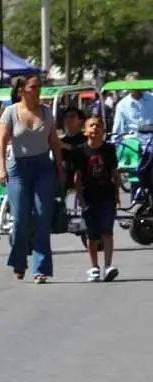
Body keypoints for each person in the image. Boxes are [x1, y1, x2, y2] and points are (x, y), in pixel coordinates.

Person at [0, 75, 66, 284]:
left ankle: (40, 269)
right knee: (20, 220)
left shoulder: (46, 112)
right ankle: (19, 260)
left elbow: (54, 142)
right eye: (34, 87)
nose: (38, 90)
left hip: (43, 167)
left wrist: (59, 168)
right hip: (18, 169)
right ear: (22, 90)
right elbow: (1, 143)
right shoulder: (10, 112)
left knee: (43, 217)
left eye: (39, 87)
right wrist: (1, 169)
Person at [75, 115, 122, 282]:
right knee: (91, 235)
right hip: (89, 196)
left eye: (98, 126)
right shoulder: (80, 151)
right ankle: (94, 267)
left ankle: (108, 265)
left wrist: (117, 193)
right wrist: (80, 197)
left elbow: (114, 173)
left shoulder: (109, 150)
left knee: (107, 232)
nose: (95, 129)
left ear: (104, 131)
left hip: (106, 195)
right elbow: (78, 177)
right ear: (85, 131)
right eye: (91, 126)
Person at [111, 72, 153, 137]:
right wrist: (115, 141)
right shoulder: (122, 105)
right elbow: (118, 126)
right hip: (132, 141)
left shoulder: (151, 99)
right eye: (131, 84)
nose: (134, 86)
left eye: (136, 83)